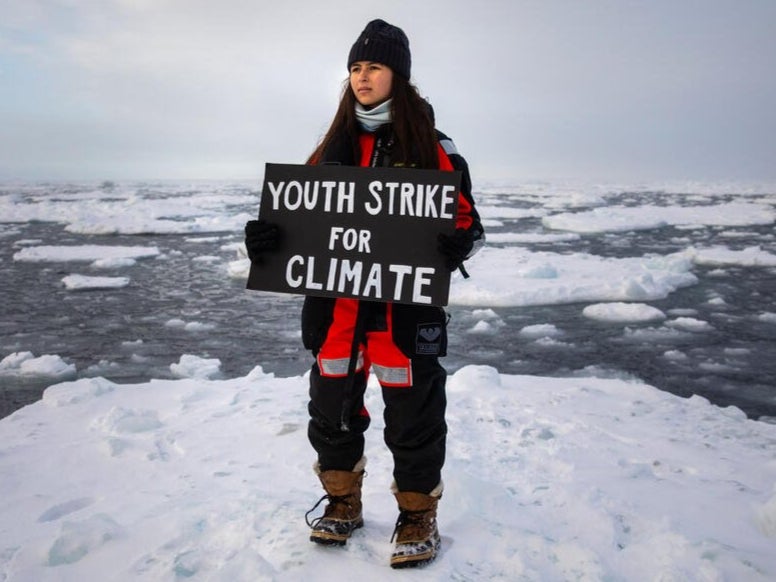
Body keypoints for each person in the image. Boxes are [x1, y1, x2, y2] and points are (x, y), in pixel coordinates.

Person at [244, 18, 484, 569]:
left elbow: (468, 221)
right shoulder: (330, 147)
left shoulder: (434, 146)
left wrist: (459, 242)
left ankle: (417, 512)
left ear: (397, 74)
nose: (362, 76)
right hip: (336, 313)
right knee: (332, 410)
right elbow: (292, 217)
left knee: (415, 415)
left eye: (373, 66)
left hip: (401, 313)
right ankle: (342, 501)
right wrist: (265, 239)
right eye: (355, 67)